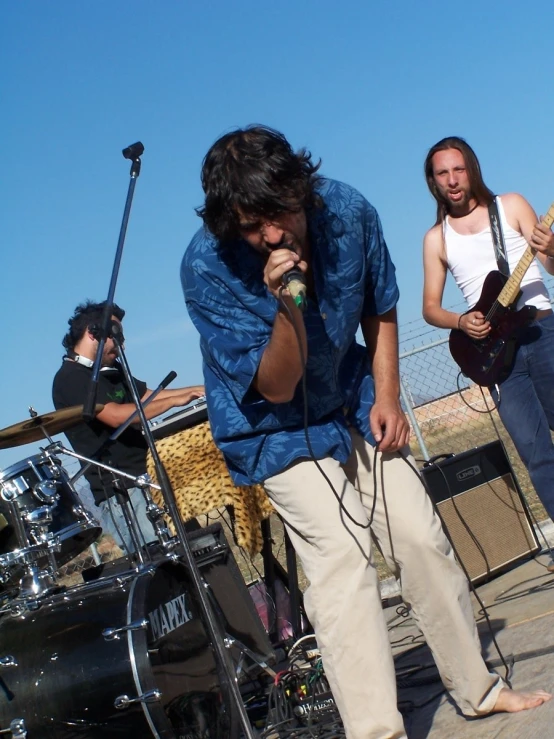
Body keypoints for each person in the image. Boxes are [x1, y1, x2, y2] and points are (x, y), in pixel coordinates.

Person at [181, 125, 550, 739]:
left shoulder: (349, 211)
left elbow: (381, 305)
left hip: (351, 395)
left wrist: (385, 396)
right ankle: (378, 731)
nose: (271, 234)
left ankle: (479, 690)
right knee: (343, 564)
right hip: (272, 427)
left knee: (419, 536)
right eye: (252, 226)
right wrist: (287, 304)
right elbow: (275, 386)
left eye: (279, 214)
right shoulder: (206, 266)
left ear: (301, 188)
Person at [422, 136, 554, 533]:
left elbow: (550, 266)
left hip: (542, 332)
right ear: (433, 181)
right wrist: (460, 322)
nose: (452, 179)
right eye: (442, 173)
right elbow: (429, 307)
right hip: (497, 356)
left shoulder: (510, 205)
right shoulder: (436, 239)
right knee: (535, 452)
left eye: (458, 169)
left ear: (472, 169)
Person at [52, 300, 204, 552]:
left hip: (151, 480)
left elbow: (148, 396)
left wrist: (198, 390)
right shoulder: (70, 379)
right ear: (93, 333)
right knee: (169, 566)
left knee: (199, 549)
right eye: (116, 335)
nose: (122, 343)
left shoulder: (111, 370)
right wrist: (176, 400)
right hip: (124, 493)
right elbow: (117, 416)